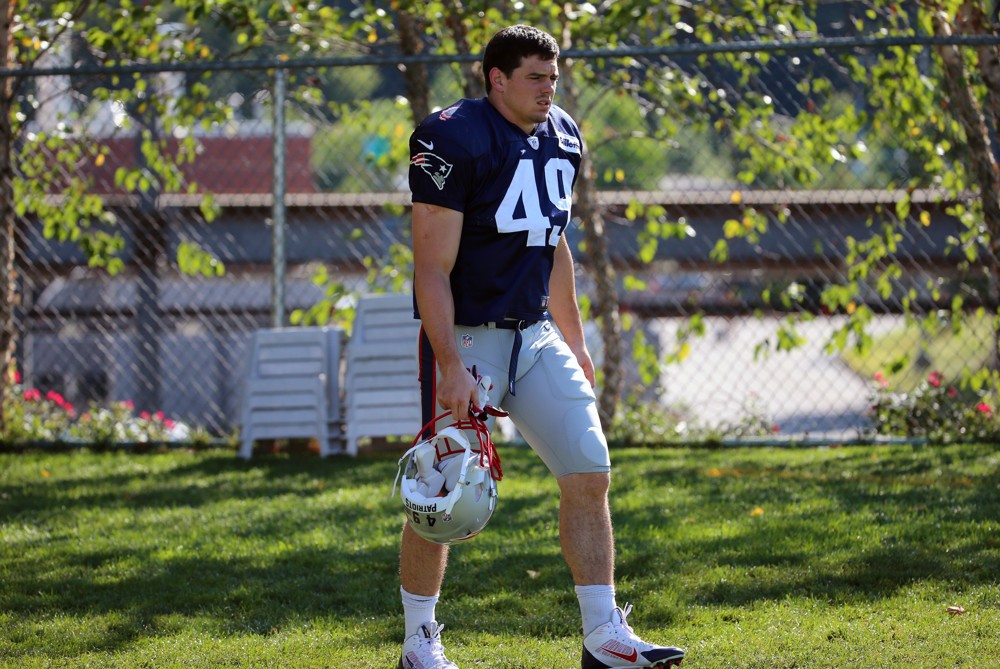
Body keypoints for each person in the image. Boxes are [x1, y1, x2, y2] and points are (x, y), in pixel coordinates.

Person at [401, 24, 685, 669]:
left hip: (535, 331)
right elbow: (430, 267)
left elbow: (550, 240)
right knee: (445, 490)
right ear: (496, 78)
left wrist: (575, 339)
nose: (548, 88)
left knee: (589, 471)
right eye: (535, 76)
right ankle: (419, 641)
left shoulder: (562, 132)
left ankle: (603, 635)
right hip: (469, 333)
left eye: (553, 76)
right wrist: (450, 362)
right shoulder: (451, 137)